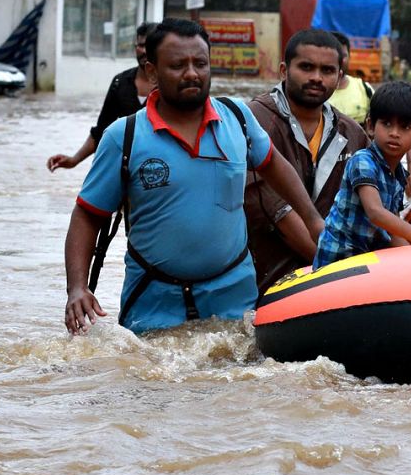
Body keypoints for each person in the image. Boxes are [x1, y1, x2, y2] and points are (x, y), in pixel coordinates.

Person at [62, 20, 323, 335]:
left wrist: (313, 221)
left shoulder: (238, 119)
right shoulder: (125, 136)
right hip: (153, 304)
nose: (192, 73)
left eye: (200, 63)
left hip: (233, 303)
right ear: (152, 71)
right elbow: (88, 215)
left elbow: (275, 166)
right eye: (177, 65)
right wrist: (76, 287)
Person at [244, 29, 370, 291]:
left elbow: (373, 208)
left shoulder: (351, 133)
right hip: (266, 277)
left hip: (332, 275)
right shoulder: (253, 120)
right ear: (283, 70)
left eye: (327, 70)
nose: (316, 78)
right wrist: (340, 273)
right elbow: (276, 211)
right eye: (306, 67)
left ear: (339, 76)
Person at [316, 82, 411, 268]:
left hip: (366, 261)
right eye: (386, 123)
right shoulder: (363, 161)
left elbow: (394, 233)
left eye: (405, 127)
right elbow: (376, 213)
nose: (394, 133)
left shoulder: (399, 176)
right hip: (338, 261)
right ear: (370, 125)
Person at [47, 21, 158, 171]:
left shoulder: (169, 85)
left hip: (158, 166)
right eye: (140, 45)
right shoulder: (120, 83)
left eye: (149, 45)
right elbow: (101, 130)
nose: (144, 51)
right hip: (125, 168)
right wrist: (74, 160)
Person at [326, 32, 375, 125]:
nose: (339, 60)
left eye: (343, 55)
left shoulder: (365, 89)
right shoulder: (315, 91)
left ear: (350, 57)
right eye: (334, 55)